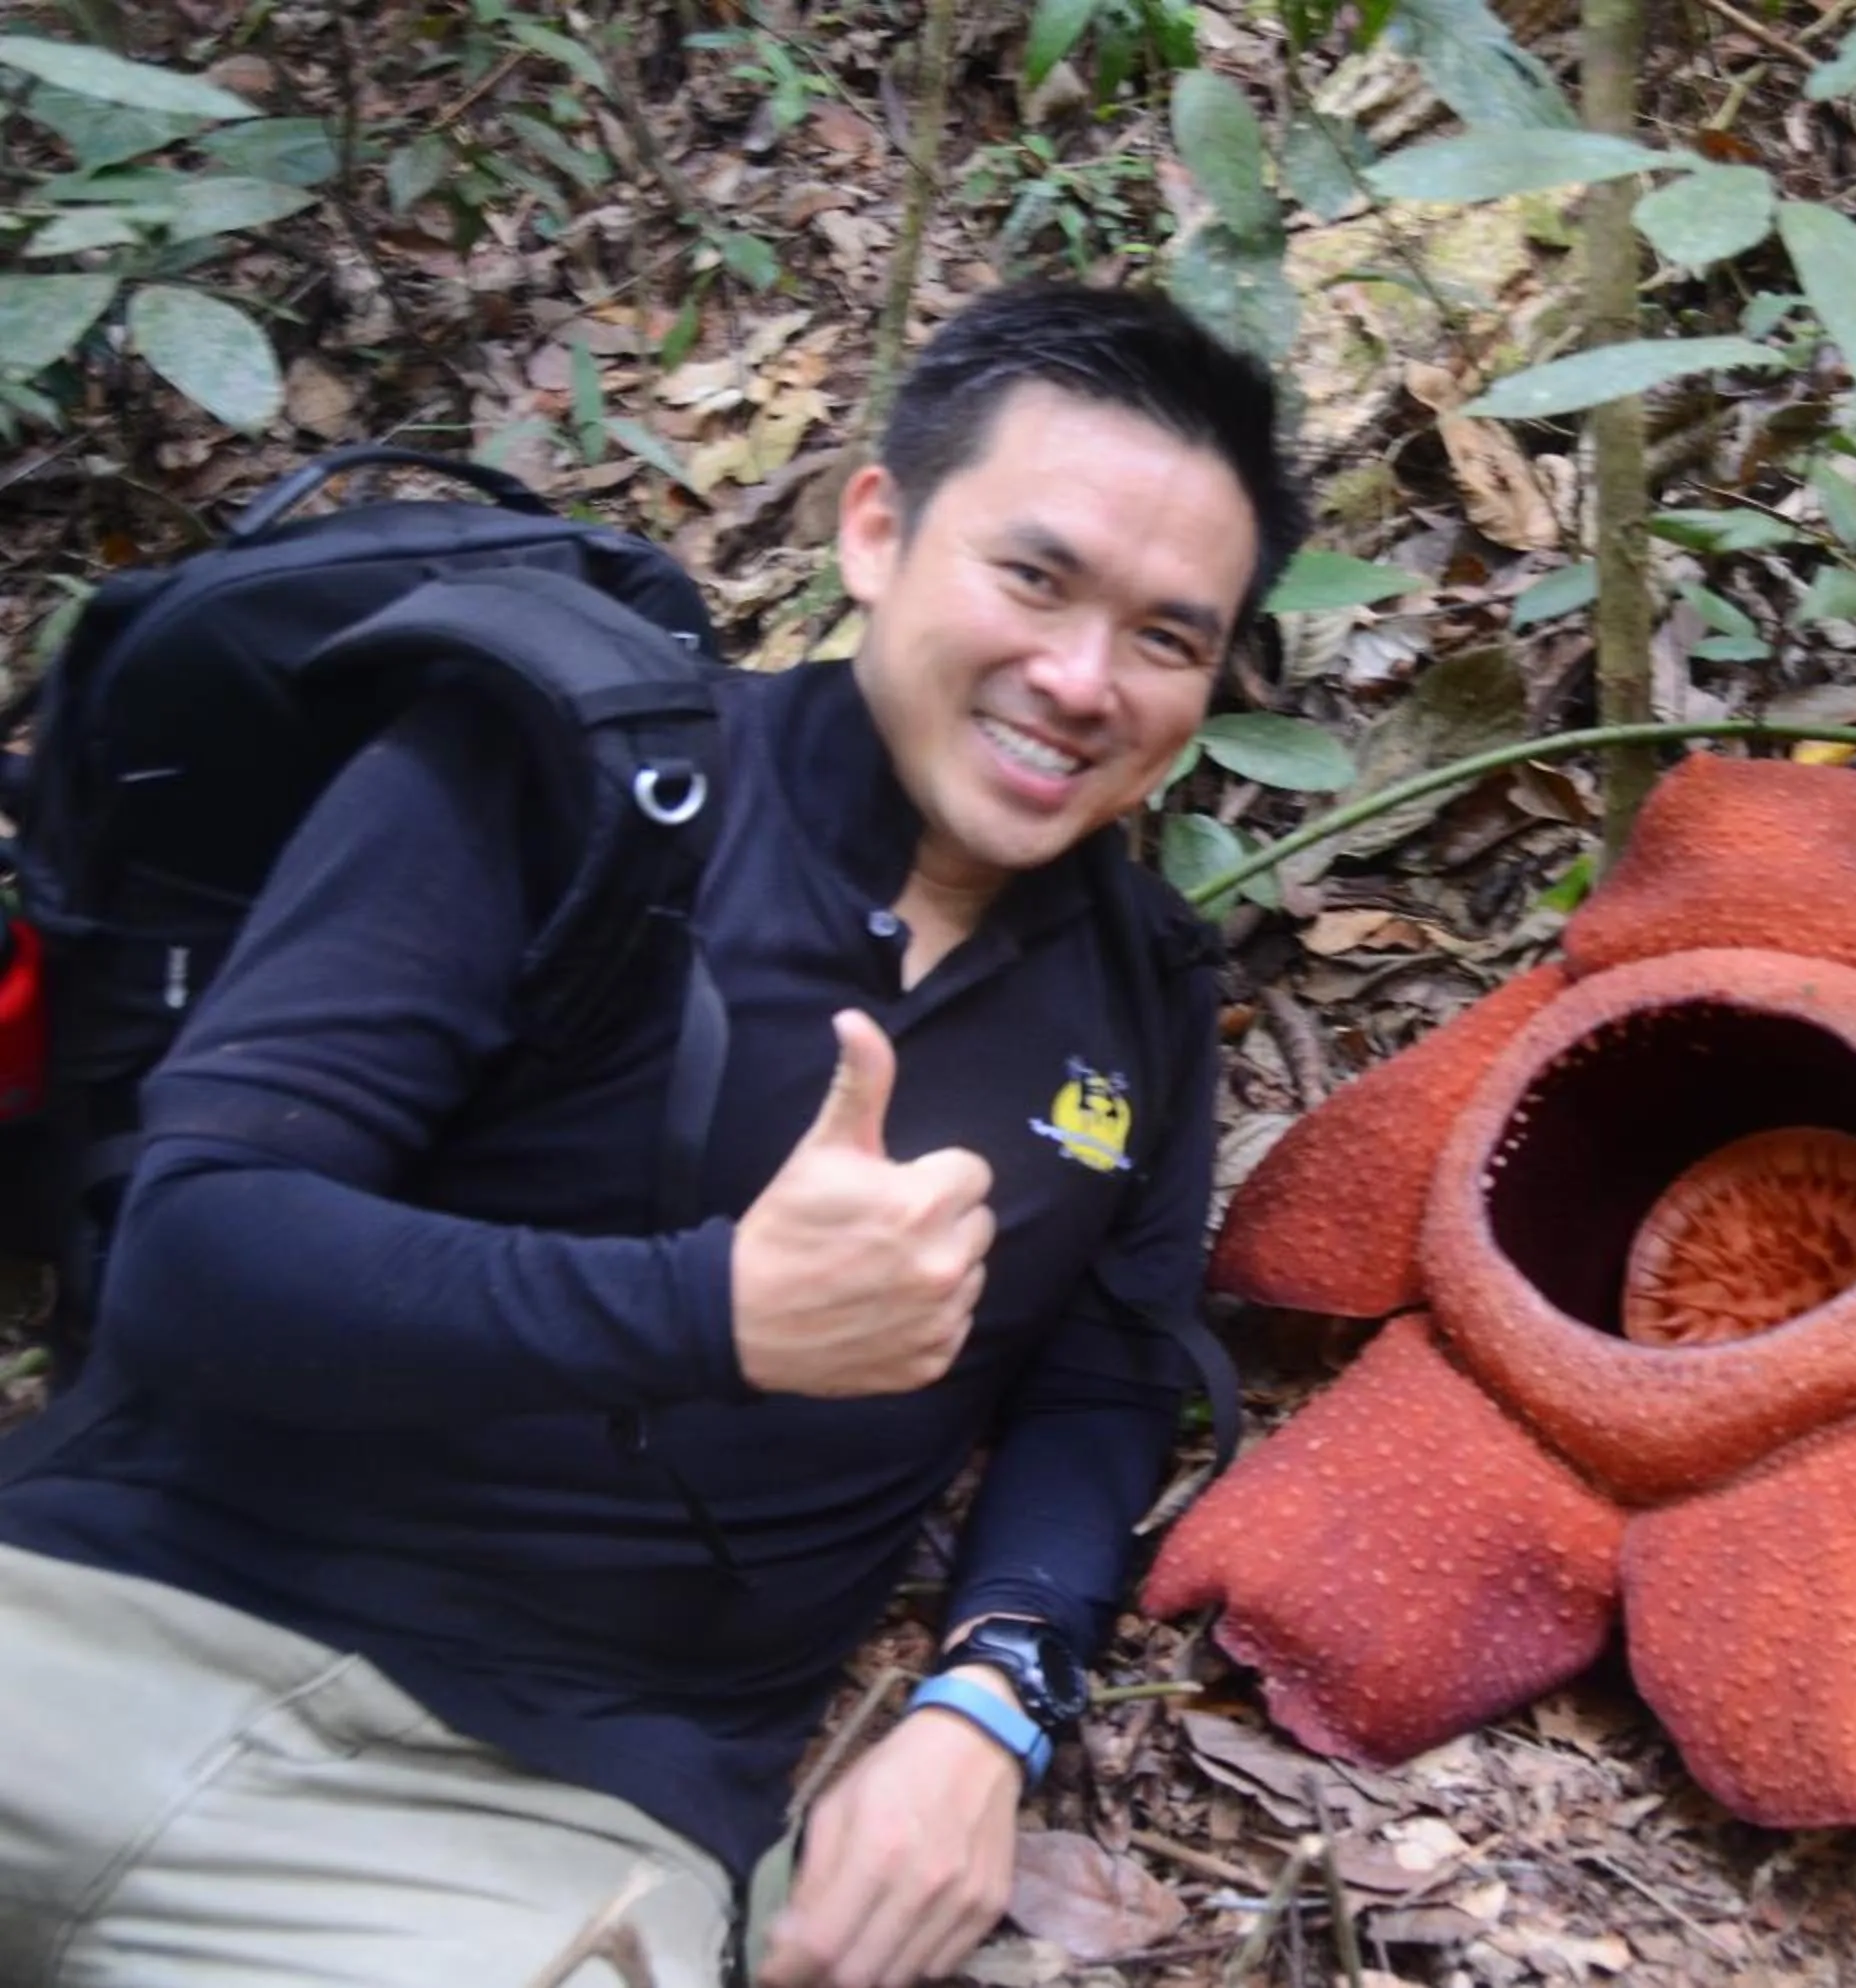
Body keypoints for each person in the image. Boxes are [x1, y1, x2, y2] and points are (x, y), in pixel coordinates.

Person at [0, 281, 1306, 1988]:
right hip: (102, 1615)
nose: (1078, 680)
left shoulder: (1138, 1006)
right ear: (875, 529)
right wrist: (715, 1314)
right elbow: (195, 1246)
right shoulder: (560, 771)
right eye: (1034, 576)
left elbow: (1101, 1386)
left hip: (542, 1819)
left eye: (1166, 637)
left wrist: (989, 1704)